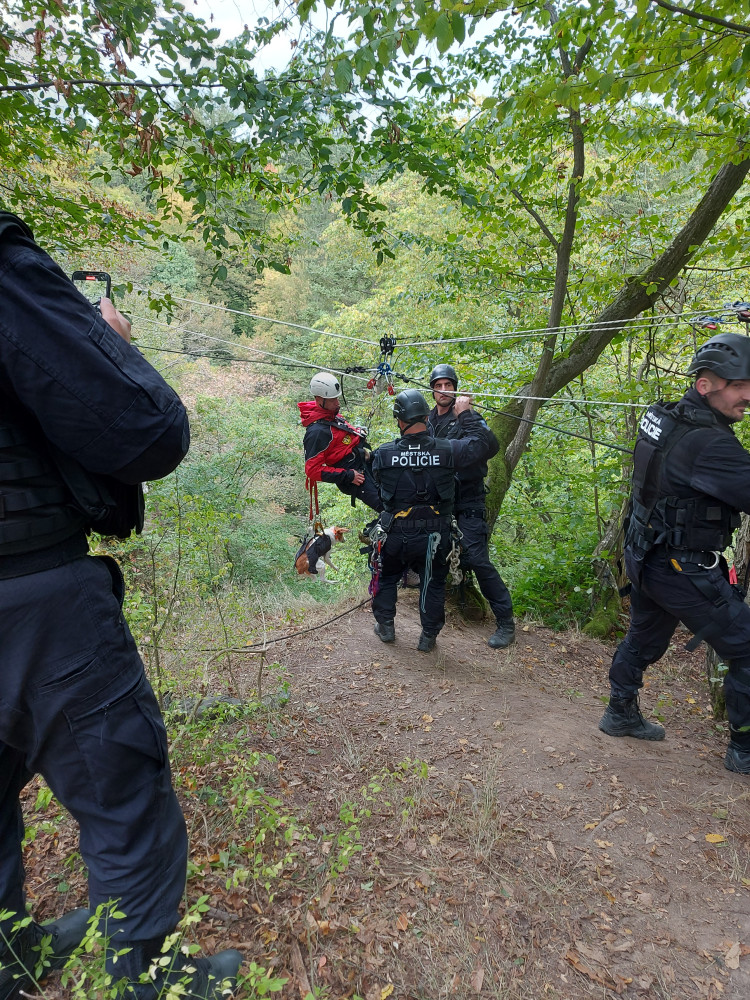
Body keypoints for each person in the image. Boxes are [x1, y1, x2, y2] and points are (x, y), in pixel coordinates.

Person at [0, 212, 241, 999]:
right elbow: (146, 430)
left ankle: (11, 959)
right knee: (122, 791)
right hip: (31, 591)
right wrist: (108, 341)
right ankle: (146, 980)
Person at [599, 332, 750, 774]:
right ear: (705, 385)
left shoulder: (662, 414)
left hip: (644, 554)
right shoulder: (712, 444)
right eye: (739, 386)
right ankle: (744, 750)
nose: (748, 396)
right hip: (679, 566)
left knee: (643, 637)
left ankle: (619, 712)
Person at [427, 364, 516, 649]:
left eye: (448, 386)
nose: (443, 391)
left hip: (468, 500)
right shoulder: (428, 420)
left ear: (455, 388)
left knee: (478, 559)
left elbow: (488, 447)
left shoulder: (468, 417)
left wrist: (466, 414)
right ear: (432, 390)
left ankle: (506, 622)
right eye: (438, 386)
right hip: (440, 500)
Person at [370, 388, 455, 652]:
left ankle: (386, 626)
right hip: (435, 535)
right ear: (425, 417)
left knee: (386, 576)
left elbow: (379, 486)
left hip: (396, 533)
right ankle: (428, 636)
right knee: (432, 581)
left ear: (400, 420)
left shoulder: (383, 454)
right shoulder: (447, 450)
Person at [298, 372, 382, 512]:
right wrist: (348, 476)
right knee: (385, 507)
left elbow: (342, 440)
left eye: (336, 398)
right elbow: (312, 470)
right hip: (354, 475)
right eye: (332, 400)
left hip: (364, 461)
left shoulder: (332, 416)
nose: (337, 403)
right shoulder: (317, 432)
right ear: (319, 399)